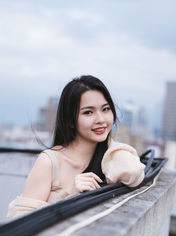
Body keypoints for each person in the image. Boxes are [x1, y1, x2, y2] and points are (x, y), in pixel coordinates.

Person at [7, 75, 145, 219]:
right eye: (88, 112)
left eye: (105, 109)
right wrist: (72, 198)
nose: (101, 119)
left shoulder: (110, 156)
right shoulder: (49, 162)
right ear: (70, 121)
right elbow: (20, 221)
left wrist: (109, 144)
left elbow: (134, 173)